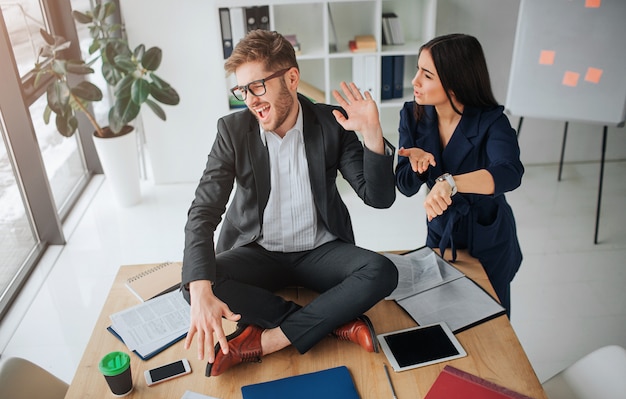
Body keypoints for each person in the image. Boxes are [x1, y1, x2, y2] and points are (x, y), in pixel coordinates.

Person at [181, 29, 398, 377]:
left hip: (320, 251)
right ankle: (334, 325)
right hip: (258, 251)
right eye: (242, 90)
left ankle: (266, 340)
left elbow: (379, 197)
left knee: (382, 271)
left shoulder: (332, 123)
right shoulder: (233, 131)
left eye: (257, 86)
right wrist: (200, 291)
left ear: (291, 78)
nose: (250, 99)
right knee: (198, 283)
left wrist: (372, 132)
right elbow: (202, 214)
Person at [395, 33, 524, 316]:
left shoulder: (492, 122)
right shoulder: (412, 115)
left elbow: (510, 172)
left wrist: (450, 183)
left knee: (492, 319)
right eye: (418, 70)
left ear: (455, 81)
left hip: (487, 237)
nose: (415, 81)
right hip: (441, 231)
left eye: (426, 75)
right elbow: (403, 185)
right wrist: (418, 168)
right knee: (440, 310)